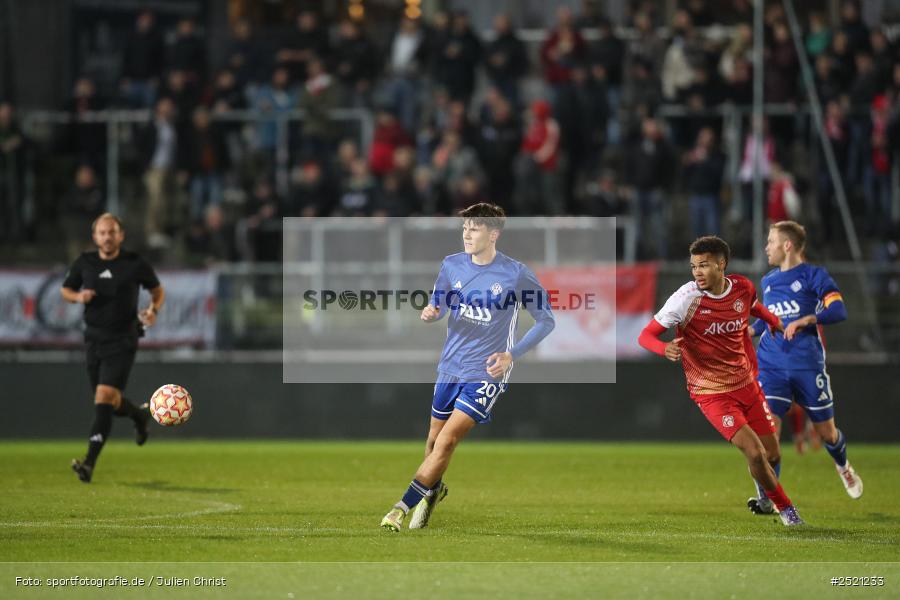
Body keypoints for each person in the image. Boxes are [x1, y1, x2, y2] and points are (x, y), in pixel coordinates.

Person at [380, 203, 555, 531]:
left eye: (474, 228)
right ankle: (433, 491)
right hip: (450, 366)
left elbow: (546, 320)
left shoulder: (515, 273)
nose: (467, 234)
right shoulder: (451, 265)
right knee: (432, 441)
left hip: (486, 372)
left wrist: (511, 355)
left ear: (494, 234)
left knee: (446, 442)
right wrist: (433, 312)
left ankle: (400, 507)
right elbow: (441, 303)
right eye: (465, 228)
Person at [638, 236, 804, 526]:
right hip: (711, 393)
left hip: (747, 386)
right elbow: (645, 335)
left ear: (721, 264)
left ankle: (764, 497)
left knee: (772, 452)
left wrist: (773, 321)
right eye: (693, 267)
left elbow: (754, 307)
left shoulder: (741, 287)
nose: (697, 272)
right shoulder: (685, 299)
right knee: (754, 452)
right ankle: (787, 510)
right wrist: (664, 348)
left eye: (703, 265)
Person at [746, 221, 861, 514]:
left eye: (770, 241)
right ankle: (770, 499)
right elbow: (768, 319)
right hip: (771, 365)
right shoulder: (769, 281)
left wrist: (807, 319)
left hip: (807, 365)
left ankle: (843, 466)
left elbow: (838, 309)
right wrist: (749, 330)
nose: (766, 247)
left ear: (787, 245)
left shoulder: (814, 275)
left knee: (826, 434)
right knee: (767, 436)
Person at [61, 213, 165, 483]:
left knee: (104, 398)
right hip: (94, 340)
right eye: (102, 232)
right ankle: (140, 416)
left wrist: (153, 310)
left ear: (121, 235)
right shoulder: (85, 262)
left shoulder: (134, 264)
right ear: (95, 237)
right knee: (111, 402)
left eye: (112, 232)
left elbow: (157, 290)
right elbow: (66, 290)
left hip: (123, 339)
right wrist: (78, 296)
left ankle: (88, 463)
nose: (107, 237)